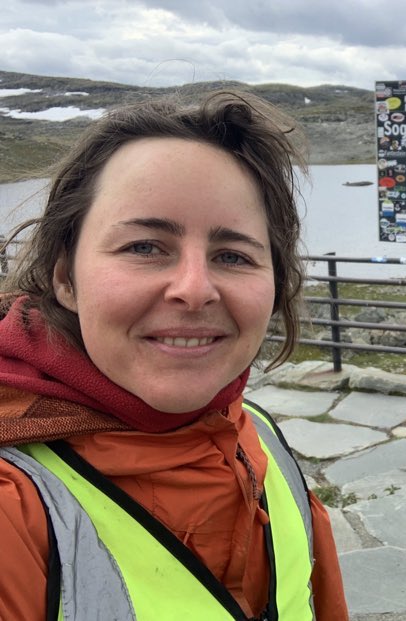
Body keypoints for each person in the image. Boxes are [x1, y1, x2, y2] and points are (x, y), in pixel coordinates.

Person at [0, 90, 349, 620]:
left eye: (233, 255)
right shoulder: (14, 507)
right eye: (144, 247)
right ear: (66, 277)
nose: (194, 289)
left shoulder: (257, 438)